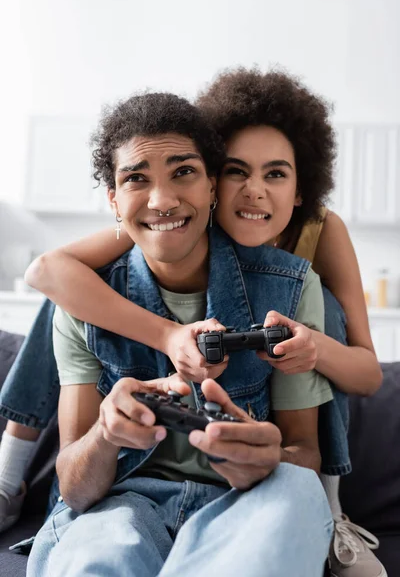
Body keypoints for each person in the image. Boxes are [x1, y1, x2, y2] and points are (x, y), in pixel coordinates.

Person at [0, 70, 384, 576]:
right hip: (124, 492)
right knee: (69, 293)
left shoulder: (305, 260)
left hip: (252, 487)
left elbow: (344, 399)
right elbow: (48, 271)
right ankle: (10, 469)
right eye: (237, 172)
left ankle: (332, 509)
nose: (253, 192)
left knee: (318, 322)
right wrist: (109, 431)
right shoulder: (109, 265)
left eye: (183, 172)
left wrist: (307, 365)